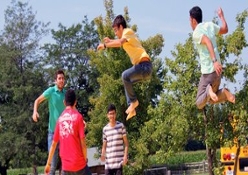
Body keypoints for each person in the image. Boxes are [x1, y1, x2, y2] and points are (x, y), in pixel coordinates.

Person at [97, 15, 152, 120]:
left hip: (144, 66)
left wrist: (105, 45)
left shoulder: (127, 31)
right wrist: (110, 40)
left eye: (116, 30)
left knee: (125, 75)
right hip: (145, 70)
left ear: (121, 27)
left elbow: (119, 43)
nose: (115, 33)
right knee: (126, 81)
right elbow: (119, 41)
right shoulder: (126, 37)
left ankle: (133, 102)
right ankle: (132, 107)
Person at [189, 6, 235, 109]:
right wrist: (221, 17)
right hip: (218, 71)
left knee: (199, 103)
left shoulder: (196, 32)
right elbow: (225, 30)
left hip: (208, 72)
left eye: (189, 20)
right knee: (210, 99)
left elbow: (207, 41)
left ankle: (208, 90)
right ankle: (224, 93)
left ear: (193, 20)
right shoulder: (209, 25)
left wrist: (213, 61)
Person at [44, 89, 92, 175]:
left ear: (64, 102)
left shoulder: (59, 120)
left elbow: (53, 145)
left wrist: (48, 163)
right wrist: (85, 159)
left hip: (66, 167)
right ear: (75, 102)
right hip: (79, 165)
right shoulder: (78, 117)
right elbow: (83, 144)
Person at [32, 70, 66, 175]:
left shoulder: (66, 94)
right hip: (53, 132)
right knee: (52, 164)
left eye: (63, 78)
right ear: (55, 81)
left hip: (64, 133)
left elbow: (72, 109)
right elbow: (37, 100)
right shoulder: (51, 91)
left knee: (66, 163)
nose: (61, 80)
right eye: (59, 78)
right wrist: (35, 112)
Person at [100, 104, 129, 175]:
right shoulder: (105, 129)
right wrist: (102, 154)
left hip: (118, 163)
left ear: (115, 114)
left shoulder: (121, 126)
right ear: (107, 115)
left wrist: (125, 156)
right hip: (108, 164)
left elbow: (126, 143)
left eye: (113, 113)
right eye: (110, 114)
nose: (112, 116)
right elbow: (104, 146)